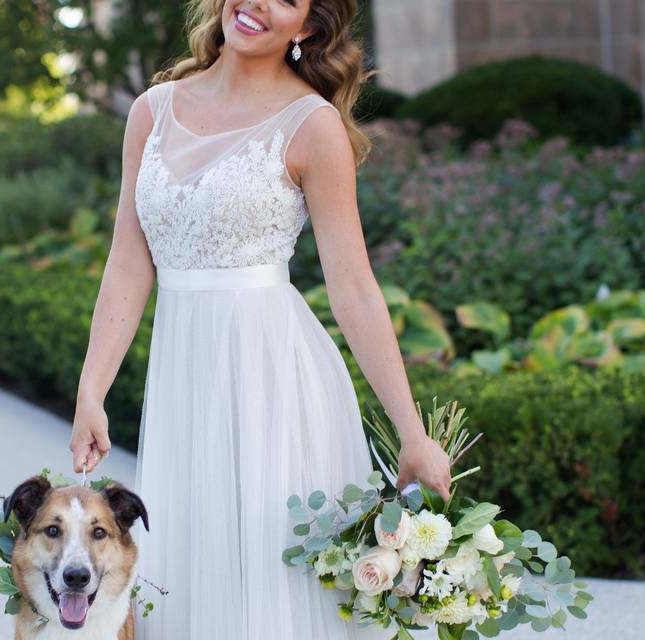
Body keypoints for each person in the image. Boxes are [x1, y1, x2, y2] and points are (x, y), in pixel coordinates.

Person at [69, 0, 452, 636]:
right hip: (183, 380)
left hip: (275, 380)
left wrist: (411, 432)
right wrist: (92, 391)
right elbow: (128, 264)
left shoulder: (313, 125)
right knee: (194, 559)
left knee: (275, 579)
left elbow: (354, 288)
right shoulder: (151, 111)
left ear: (305, 25)